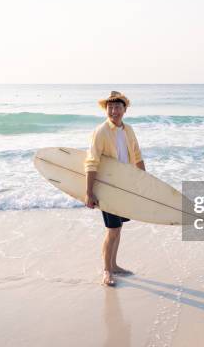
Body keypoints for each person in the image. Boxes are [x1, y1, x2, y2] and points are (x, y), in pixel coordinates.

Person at [84, 91, 146, 286]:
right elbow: (91, 162)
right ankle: (107, 271)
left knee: (118, 229)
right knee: (112, 230)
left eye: (117, 107)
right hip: (108, 187)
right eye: (110, 107)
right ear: (106, 110)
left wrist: (145, 183)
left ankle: (114, 265)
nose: (113, 111)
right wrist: (89, 192)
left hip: (124, 187)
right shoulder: (101, 131)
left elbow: (137, 155)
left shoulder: (128, 130)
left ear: (124, 110)